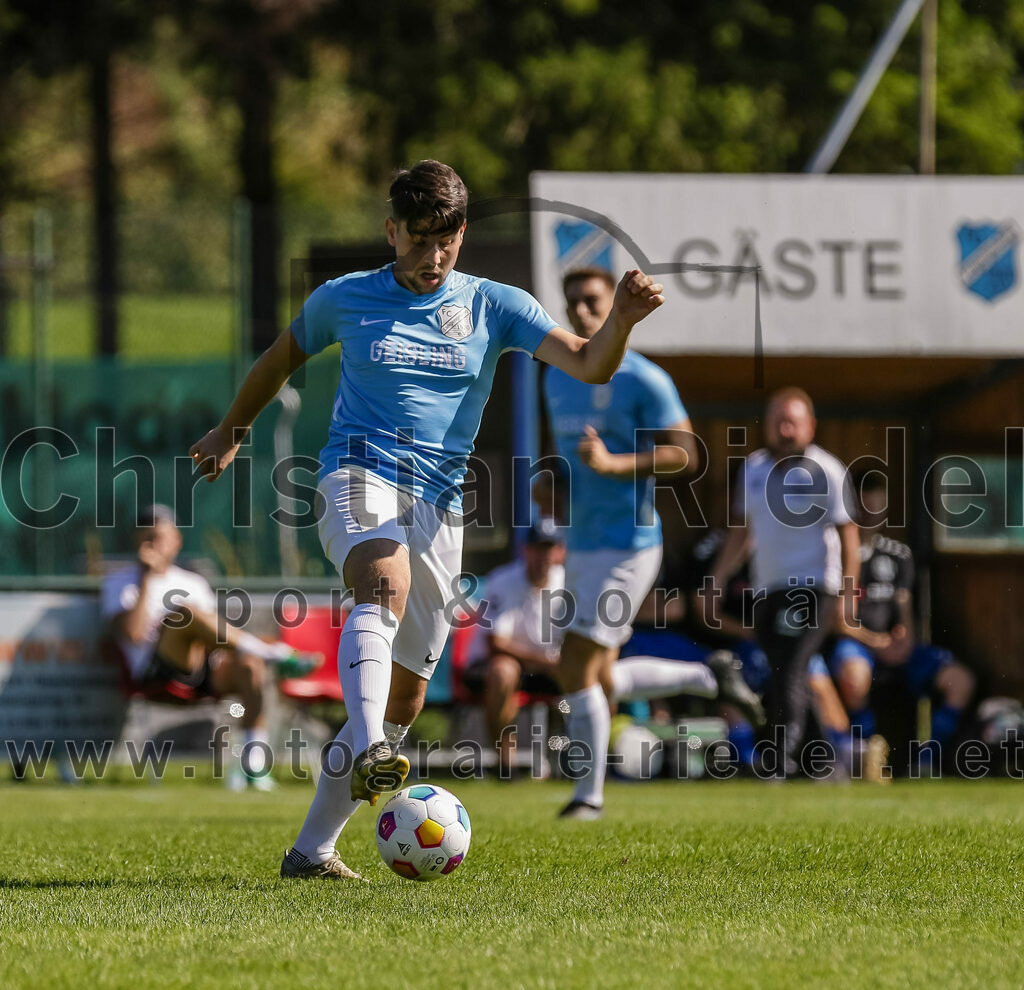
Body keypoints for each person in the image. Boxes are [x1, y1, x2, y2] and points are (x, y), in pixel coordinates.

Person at [189, 160, 667, 879]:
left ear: (462, 233)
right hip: (356, 475)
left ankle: (313, 849)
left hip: (439, 510)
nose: (431, 257)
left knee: (404, 699)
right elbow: (278, 360)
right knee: (381, 580)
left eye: (445, 242)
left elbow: (590, 363)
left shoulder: (495, 305)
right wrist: (231, 428)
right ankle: (376, 755)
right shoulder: (345, 298)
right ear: (391, 231)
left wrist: (623, 321)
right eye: (417, 240)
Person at [543, 266, 763, 820]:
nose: (581, 311)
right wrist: (553, 485)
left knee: (574, 666)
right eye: (572, 302)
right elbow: (572, 460)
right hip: (582, 542)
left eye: (592, 299)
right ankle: (710, 674)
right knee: (599, 675)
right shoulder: (556, 374)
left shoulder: (644, 378)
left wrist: (617, 465)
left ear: (614, 303)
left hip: (629, 545)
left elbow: (687, 453)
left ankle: (587, 798)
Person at [101, 504, 318, 790]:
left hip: (202, 670)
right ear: (136, 541)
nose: (153, 545)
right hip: (155, 671)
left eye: (160, 537)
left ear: (176, 540)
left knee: (248, 666)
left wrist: (235, 654)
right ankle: (272, 653)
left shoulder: (193, 581)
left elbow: (213, 640)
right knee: (187, 613)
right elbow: (133, 635)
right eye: (147, 538)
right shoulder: (119, 581)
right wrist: (146, 578)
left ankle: (252, 765)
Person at [707, 387, 860, 779]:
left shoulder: (827, 470)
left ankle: (779, 759)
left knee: (791, 668)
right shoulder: (754, 468)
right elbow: (742, 533)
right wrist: (717, 581)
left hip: (812, 587)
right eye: (777, 420)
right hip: (767, 590)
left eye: (792, 420)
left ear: (810, 425)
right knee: (783, 670)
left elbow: (849, 538)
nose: (785, 428)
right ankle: (826, 762)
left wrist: (848, 594)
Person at [821, 473, 975, 775]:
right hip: (856, 645)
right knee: (855, 677)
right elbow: (838, 622)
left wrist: (904, 642)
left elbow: (905, 609)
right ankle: (864, 758)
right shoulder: (835, 556)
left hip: (895, 648)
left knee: (961, 680)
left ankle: (928, 760)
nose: (870, 516)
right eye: (863, 509)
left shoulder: (898, 555)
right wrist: (875, 643)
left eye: (877, 509)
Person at [462, 517, 566, 778]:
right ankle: (505, 765)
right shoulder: (503, 580)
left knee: (591, 672)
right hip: (495, 664)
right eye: (538, 547)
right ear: (525, 550)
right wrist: (546, 662)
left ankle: (581, 762)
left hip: (546, 668)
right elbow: (496, 644)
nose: (543, 555)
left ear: (560, 552)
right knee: (503, 673)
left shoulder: (569, 582)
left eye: (549, 547)